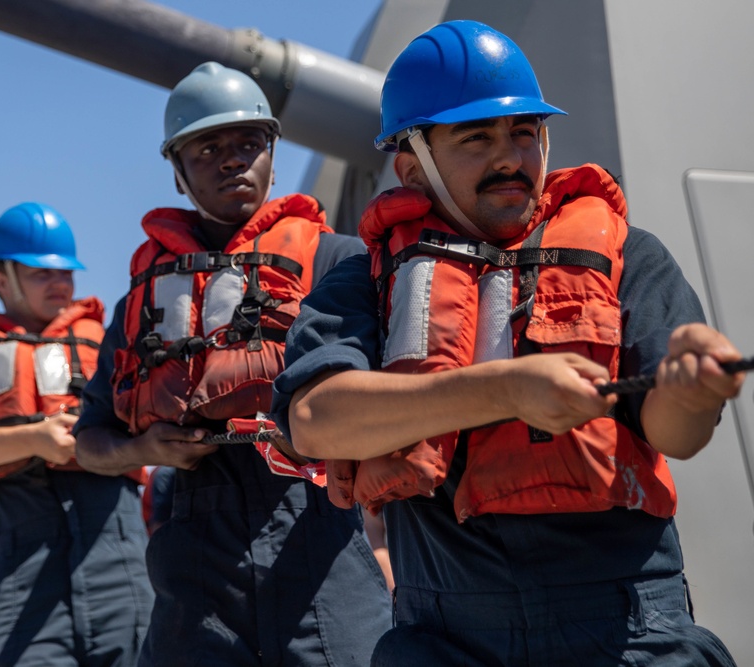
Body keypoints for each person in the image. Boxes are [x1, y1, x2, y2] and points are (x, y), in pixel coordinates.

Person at [273, 20, 745, 667]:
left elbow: (679, 437)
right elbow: (314, 419)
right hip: (447, 634)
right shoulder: (365, 280)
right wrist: (504, 389)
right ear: (412, 165)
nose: (510, 157)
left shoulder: (627, 255)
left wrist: (693, 391)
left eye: (525, 133)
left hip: (626, 630)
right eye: (477, 138)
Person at [74, 62, 390, 666]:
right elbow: (89, 440)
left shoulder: (340, 261)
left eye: (249, 143)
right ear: (176, 171)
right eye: (208, 147)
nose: (231, 159)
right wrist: (149, 450)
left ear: (273, 153)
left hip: (319, 535)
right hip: (194, 553)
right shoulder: (142, 298)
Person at [0, 202, 152, 666]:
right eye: (41, 273)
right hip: (18, 583)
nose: (59, 283)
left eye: (66, 273)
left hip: (119, 572)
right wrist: (35, 439)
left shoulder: (109, 348)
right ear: (2, 280)